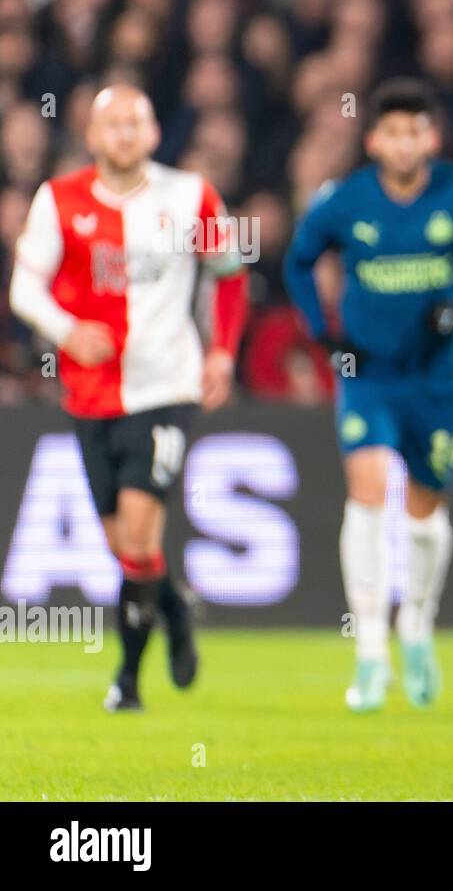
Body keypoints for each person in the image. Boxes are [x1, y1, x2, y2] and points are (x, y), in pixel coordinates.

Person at [283, 79, 453, 712]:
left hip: (441, 379)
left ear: (431, 137)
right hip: (369, 374)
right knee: (367, 491)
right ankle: (370, 652)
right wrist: (324, 335)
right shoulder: (345, 201)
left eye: (414, 131)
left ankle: (415, 625)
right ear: (373, 140)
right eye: (391, 131)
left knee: (425, 515)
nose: (403, 143)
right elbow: (297, 260)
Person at [8, 84, 249, 711]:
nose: (123, 133)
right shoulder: (58, 200)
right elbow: (24, 290)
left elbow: (229, 277)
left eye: (134, 122)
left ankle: (129, 682)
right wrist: (66, 331)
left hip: (167, 387)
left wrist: (221, 351)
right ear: (91, 135)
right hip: (91, 396)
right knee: (125, 546)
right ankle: (176, 607)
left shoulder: (192, 195)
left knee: (140, 535)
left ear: (153, 133)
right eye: (111, 123)